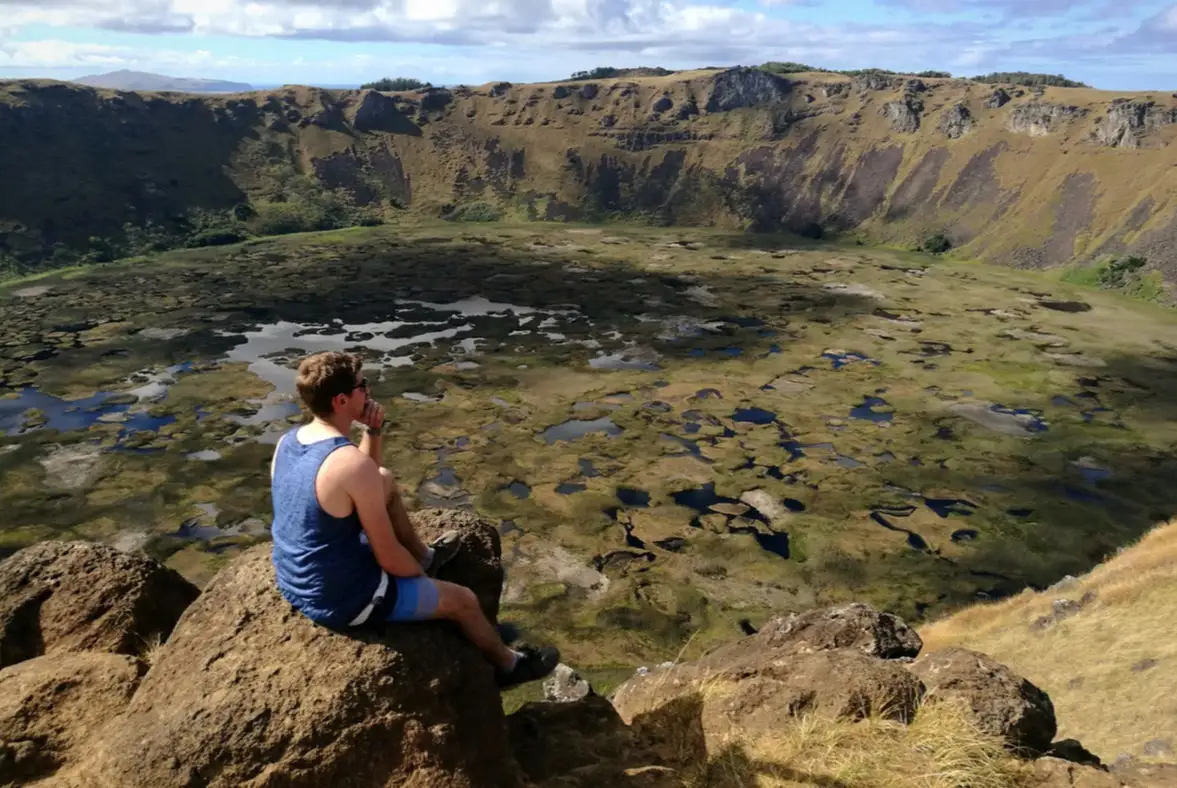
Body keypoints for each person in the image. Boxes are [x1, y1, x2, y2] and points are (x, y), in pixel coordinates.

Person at [269, 350, 558, 688]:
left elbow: (369, 478)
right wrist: (418, 578)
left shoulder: (288, 442)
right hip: (341, 598)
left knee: (385, 479)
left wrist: (372, 432)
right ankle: (509, 666)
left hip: (295, 578)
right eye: (363, 386)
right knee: (463, 601)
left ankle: (426, 556)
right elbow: (388, 554)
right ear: (343, 399)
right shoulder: (346, 462)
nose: (369, 391)